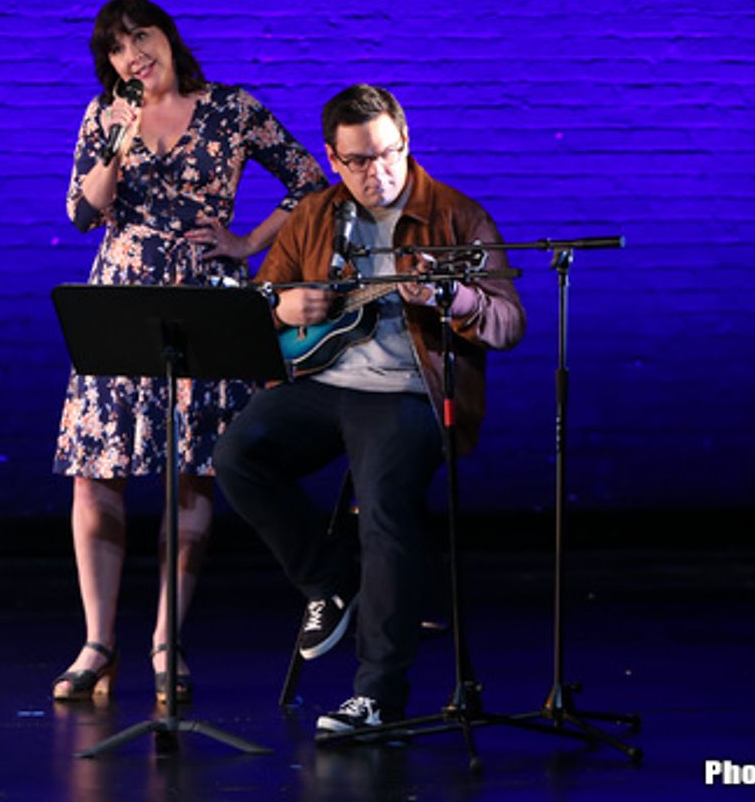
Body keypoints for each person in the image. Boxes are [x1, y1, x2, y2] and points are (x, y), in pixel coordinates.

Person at [214, 83, 526, 732]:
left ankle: (377, 695)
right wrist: (280, 308)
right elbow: (254, 305)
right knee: (237, 455)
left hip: (410, 392)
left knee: (383, 508)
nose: (376, 172)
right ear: (333, 158)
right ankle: (332, 582)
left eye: (387, 154)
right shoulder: (315, 214)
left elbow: (509, 324)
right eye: (357, 160)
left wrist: (455, 300)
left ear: (406, 142)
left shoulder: (455, 216)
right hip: (322, 381)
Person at [51, 0, 328, 703]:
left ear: (167, 37)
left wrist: (246, 243)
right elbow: (82, 213)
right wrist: (117, 143)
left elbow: (309, 182)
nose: (133, 56)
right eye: (117, 49)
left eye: (140, 37)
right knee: (97, 470)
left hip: (203, 296)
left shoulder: (232, 109)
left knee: (191, 472)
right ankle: (97, 644)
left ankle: (166, 642)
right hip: (122, 297)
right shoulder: (104, 115)